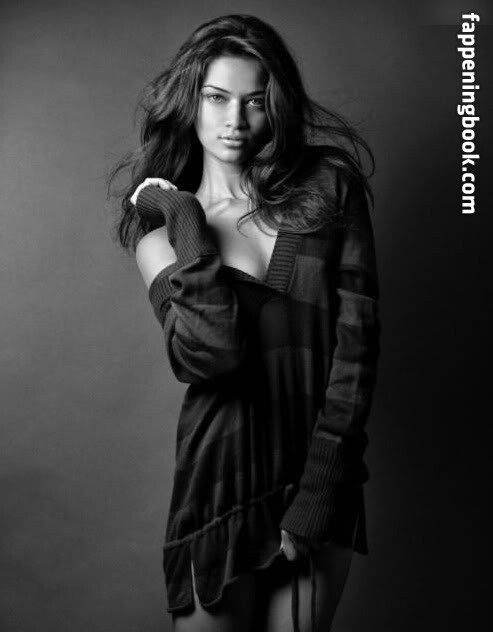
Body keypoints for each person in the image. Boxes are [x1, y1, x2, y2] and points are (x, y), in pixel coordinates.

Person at [108, 13, 380, 632]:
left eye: (254, 102)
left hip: (319, 479)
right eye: (216, 98)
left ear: (275, 108)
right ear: (191, 103)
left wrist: (319, 492)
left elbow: (357, 350)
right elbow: (212, 355)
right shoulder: (161, 241)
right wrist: (186, 218)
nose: (235, 119)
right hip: (218, 490)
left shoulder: (328, 190)